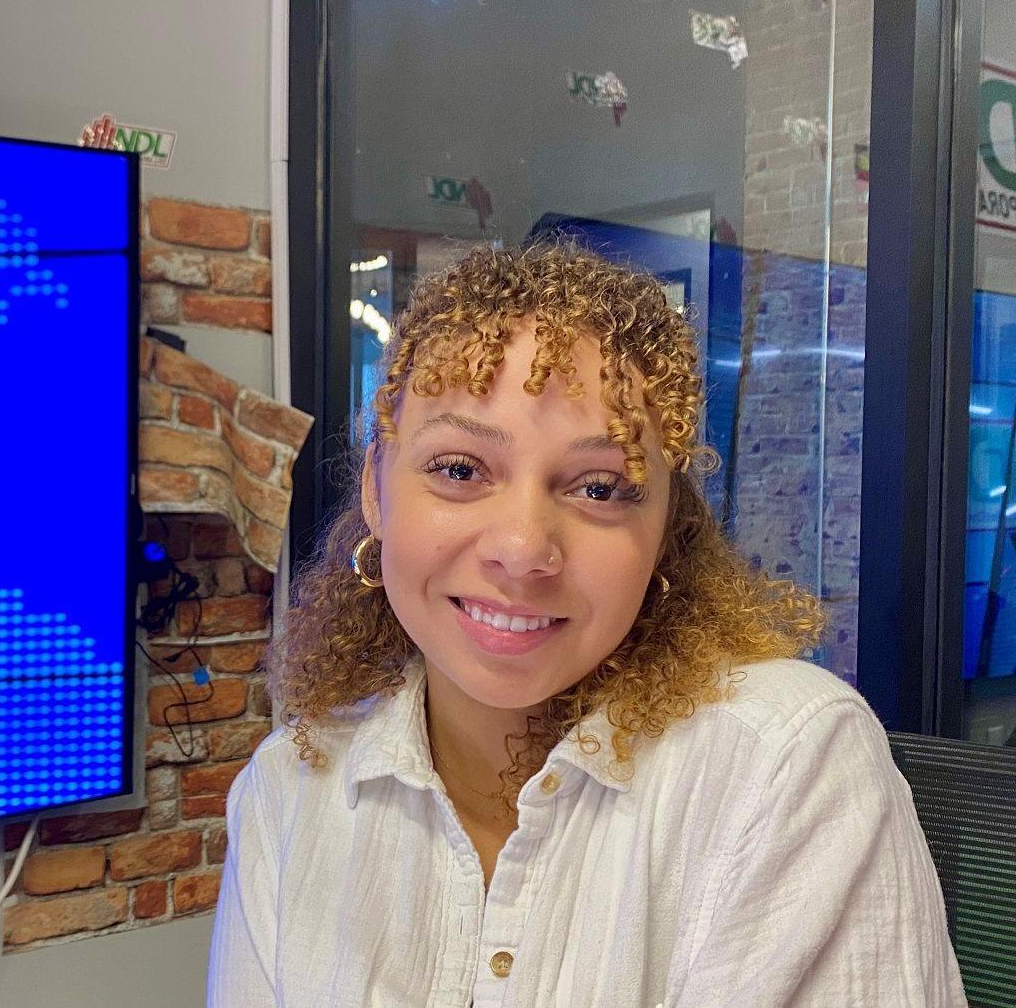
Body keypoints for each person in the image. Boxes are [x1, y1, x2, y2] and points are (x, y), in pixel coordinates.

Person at [207, 241, 965, 1006]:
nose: (522, 548)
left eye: (600, 487)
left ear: (667, 526)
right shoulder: (291, 789)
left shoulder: (782, 766)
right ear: (376, 488)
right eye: (461, 470)